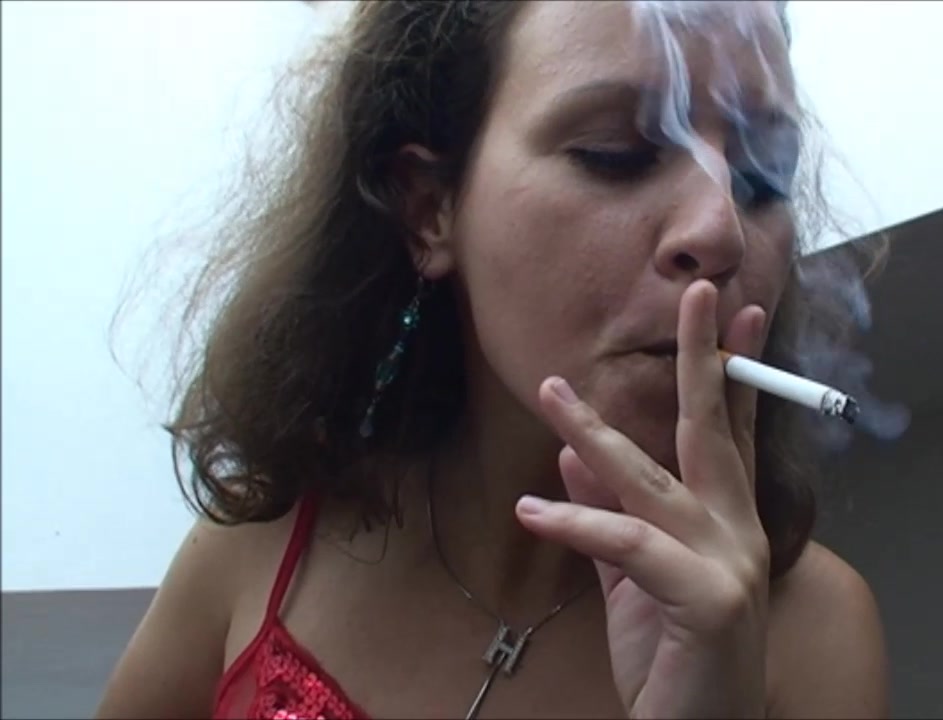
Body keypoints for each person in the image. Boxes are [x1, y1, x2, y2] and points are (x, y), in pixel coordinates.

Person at [96, 1, 889, 718]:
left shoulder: (810, 637)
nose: (720, 230)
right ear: (430, 209)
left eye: (761, 177)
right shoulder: (262, 544)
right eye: (615, 154)